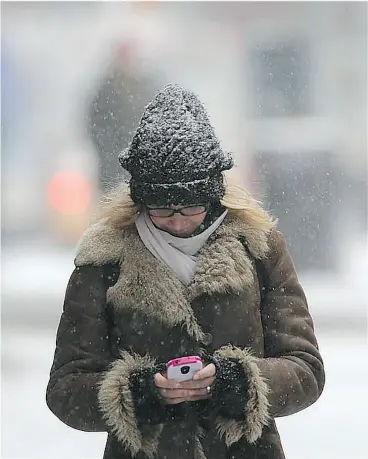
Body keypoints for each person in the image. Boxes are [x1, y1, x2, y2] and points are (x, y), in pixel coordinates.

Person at [46, 84, 325, 459]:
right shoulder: (104, 260)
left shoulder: (260, 249)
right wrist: (141, 392)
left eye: (190, 207)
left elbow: (305, 370)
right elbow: (65, 389)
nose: (177, 222)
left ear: (213, 196)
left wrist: (238, 383)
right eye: (162, 210)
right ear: (140, 202)